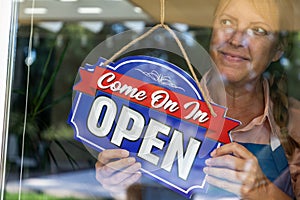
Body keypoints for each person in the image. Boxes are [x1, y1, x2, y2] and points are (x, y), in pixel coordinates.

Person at [95, 0, 300, 199]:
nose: (236, 40)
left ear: (279, 49)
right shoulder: (157, 111)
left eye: (258, 30)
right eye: (227, 22)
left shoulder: (296, 124)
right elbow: (145, 193)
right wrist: (120, 187)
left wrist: (263, 193)